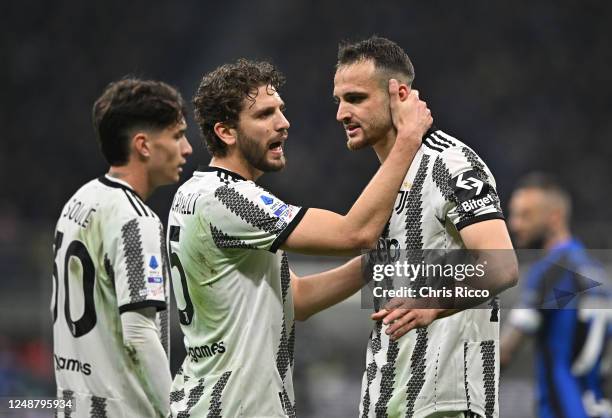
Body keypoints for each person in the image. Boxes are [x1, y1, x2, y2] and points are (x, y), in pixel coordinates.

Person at [167, 58, 432, 417]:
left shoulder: (198, 193)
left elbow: (299, 300)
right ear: (226, 132)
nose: (283, 123)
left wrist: (375, 264)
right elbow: (354, 231)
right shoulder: (227, 198)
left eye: (281, 110)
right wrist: (408, 141)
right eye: (264, 115)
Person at [332, 36, 518, 418]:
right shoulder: (387, 181)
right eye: (338, 101)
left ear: (398, 94)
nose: (341, 113)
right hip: (388, 400)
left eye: (355, 98)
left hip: (444, 404)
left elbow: (501, 265)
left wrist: (432, 300)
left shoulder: (451, 164)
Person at [51, 78, 193, 417]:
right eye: (177, 136)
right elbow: (140, 335)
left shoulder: (79, 201)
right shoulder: (136, 219)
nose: (187, 148)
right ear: (143, 145)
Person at [501, 173, 612, 418]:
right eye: (514, 214)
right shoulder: (596, 271)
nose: (514, 224)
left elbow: (505, 352)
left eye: (525, 215)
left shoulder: (552, 272)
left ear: (555, 217)